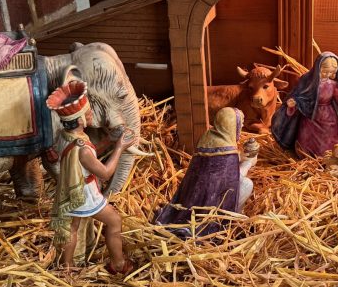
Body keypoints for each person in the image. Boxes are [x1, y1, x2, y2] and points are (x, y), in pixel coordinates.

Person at [47, 81, 137, 275]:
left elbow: (87, 157)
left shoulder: (66, 136)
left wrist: (108, 141)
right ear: (80, 119)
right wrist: (120, 148)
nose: (90, 114)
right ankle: (118, 264)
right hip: (84, 194)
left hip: (70, 191)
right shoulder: (83, 149)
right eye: (88, 112)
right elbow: (105, 172)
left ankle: (66, 267)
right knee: (114, 221)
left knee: (72, 227)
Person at [155, 107, 247, 237]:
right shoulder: (228, 152)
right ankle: (230, 222)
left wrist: (240, 157)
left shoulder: (207, 137)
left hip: (192, 195)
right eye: (240, 123)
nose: (242, 127)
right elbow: (232, 182)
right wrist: (248, 163)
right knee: (247, 185)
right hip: (212, 205)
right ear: (232, 125)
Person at [272, 52, 338, 158]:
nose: (327, 75)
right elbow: (299, 96)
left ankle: (331, 157)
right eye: (324, 71)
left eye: (331, 72)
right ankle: (308, 155)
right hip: (310, 119)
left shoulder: (333, 85)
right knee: (307, 141)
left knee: (331, 143)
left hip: (329, 120)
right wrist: (293, 103)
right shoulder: (307, 82)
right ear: (318, 67)